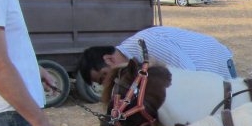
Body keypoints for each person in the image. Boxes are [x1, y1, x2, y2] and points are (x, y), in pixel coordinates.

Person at [78, 26, 238, 87]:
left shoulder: (145, 44)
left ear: (108, 59)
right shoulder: (135, 61)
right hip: (205, 78)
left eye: (105, 76)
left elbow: (188, 73)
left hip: (217, 68)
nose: (111, 83)